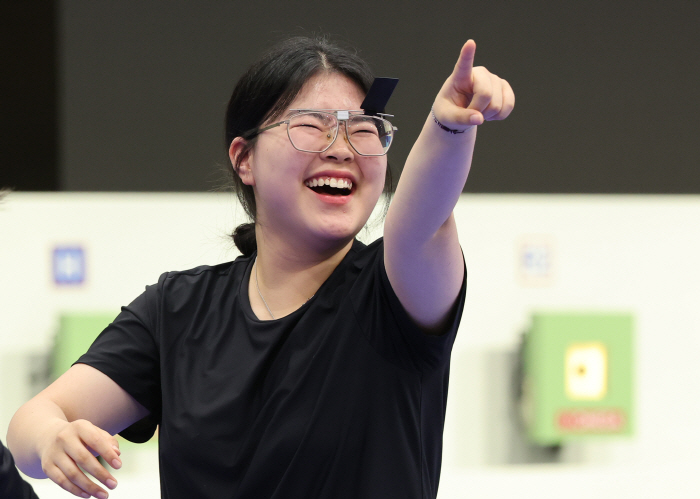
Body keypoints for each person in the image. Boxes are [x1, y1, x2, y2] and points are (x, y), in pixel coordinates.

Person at [6, 36, 514, 499]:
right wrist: (53, 438)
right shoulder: (178, 311)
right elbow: (32, 425)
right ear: (243, 158)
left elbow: (421, 220)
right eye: (311, 127)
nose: (341, 149)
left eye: (364, 131)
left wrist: (449, 126)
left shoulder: (393, 294)